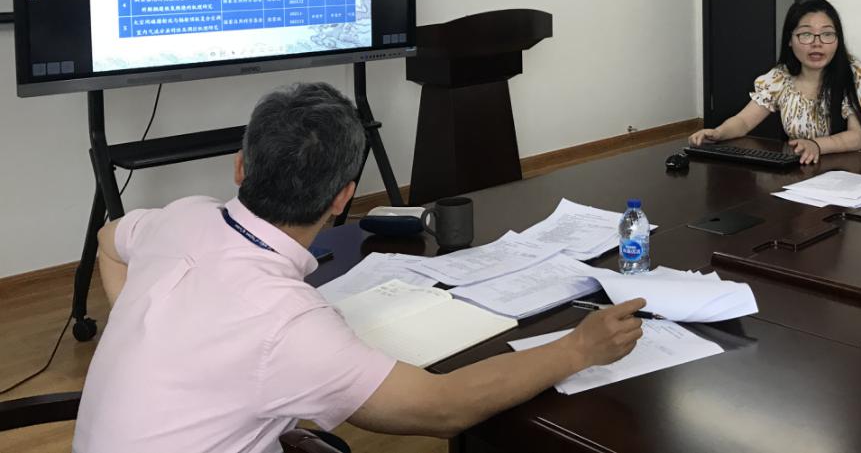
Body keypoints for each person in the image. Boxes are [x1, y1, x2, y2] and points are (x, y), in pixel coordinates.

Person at [74, 82, 644, 452]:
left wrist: (149, 333)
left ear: (240, 166)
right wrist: (578, 349)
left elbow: (107, 241)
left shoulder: (183, 216)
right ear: (344, 197)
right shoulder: (286, 322)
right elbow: (443, 407)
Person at [690, 0, 861, 163]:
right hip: (802, 170)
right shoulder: (780, 77)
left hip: (848, 172)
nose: (817, 43)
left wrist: (816, 145)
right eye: (806, 34)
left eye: (827, 34)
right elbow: (744, 121)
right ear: (790, 40)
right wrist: (718, 133)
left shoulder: (856, 74)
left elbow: (857, 137)